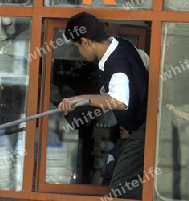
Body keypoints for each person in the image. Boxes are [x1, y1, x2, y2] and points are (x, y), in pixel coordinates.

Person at [58, 12, 148, 199]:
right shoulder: (122, 45)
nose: (79, 52)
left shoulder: (116, 62)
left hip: (143, 130)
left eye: (77, 46)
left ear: (85, 41)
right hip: (137, 127)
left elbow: (119, 100)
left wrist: (79, 99)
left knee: (119, 190)